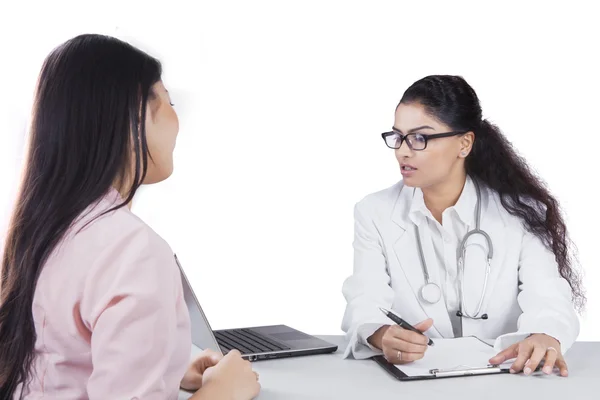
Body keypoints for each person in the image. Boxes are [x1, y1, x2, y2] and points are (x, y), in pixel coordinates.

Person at [0, 34, 260, 400]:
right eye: (168, 101)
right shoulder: (133, 250)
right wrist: (222, 392)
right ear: (134, 117)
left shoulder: (44, 232)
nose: (178, 119)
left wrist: (164, 369)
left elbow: (60, 364)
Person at [340, 75, 583, 378]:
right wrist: (380, 334)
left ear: (464, 143)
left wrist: (545, 335)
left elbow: (548, 297)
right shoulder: (374, 212)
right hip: (414, 385)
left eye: (420, 138)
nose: (402, 151)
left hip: (507, 382)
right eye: (398, 137)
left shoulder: (521, 212)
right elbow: (364, 299)